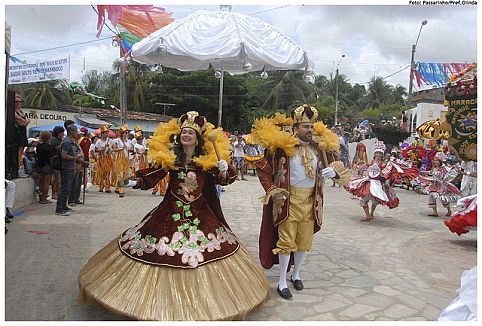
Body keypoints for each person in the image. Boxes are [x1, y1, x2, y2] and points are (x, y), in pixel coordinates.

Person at [78, 111, 269, 320]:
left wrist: (225, 170)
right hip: (169, 212)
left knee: (206, 252)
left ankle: (204, 301)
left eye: (190, 133)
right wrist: (135, 181)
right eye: (183, 132)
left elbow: (223, 180)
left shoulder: (206, 161)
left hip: (201, 214)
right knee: (159, 251)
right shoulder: (171, 160)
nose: (186, 135)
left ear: (198, 139)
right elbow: (153, 175)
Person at [253, 105, 348, 300]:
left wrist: (334, 172)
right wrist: (272, 191)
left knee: (304, 242)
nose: (309, 130)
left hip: (312, 201)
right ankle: (281, 281)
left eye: (311, 127)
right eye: (305, 127)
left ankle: (296, 275)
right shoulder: (281, 149)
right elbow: (262, 168)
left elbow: (338, 168)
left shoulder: (320, 149)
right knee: (286, 241)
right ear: (296, 128)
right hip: (288, 201)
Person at [344, 141, 399, 222]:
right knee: (364, 200)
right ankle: (368, 215)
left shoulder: (383, 165)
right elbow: (361, 168)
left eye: (380, 153)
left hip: (377, 184)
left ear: (382, 155)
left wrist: (385, 180)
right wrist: (358, 166)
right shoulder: (371, 162)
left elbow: (387, 174)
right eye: (377, 153)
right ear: (374, 154)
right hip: (368, 183)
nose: (378, 155)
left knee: (375, 201)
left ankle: (372, 213)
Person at [417, 152, 461, 217]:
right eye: (434, 160)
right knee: (432, 197)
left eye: (436, 160)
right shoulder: (434, 168)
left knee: (443, 199)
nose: (435, 162)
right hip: (434, 185)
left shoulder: (443, 168)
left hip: (441, 186)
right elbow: (430, 173)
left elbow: (447, 175)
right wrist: (421, 172)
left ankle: (449, 210)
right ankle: (435, 212)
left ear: (440, 161)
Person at [55, 125, 84, 216]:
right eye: (75, 131)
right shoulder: (67, 142)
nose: (76, 133)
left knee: (67, 188)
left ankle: (64, 205)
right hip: (66, 168)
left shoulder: (72, 141)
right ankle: (59, 208)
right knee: (64, 188)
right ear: (71, 131)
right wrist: (74, 157)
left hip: (71, 167)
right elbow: (64, 155)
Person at [36, 131, 56, 204]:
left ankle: (41, 198)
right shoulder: (49, 147)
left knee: (41, 182)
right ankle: (44, 199)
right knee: (46, 183)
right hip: (47, 165)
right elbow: (51, 158)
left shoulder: (38, 146)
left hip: (39, 165)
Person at [112, 124, 131, 197]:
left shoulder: (128, 141)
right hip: (119, 160)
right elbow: (114, 149)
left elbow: (128, 150)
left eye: (127, 132)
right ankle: (121, 189)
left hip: (126, 160)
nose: (127, 134)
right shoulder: (117, 141)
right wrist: (121, 148)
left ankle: (117, 188)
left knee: (125, 175)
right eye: (125, 132)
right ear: (122, 134)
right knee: (120, 175)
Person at [95, 125, 114, 193]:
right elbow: (96, 150)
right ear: (102, 134)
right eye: (105, 133)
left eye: (107, 133)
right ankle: (101, 186)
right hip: (101, 159)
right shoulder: (99, 141)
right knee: (101, 173)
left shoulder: (110, 141)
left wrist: (109, 149)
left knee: (107, 173)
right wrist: (103, 148)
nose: (107, 134)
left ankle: (107, 187)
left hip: (108, 158)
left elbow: (112, 150)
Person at [14, 94, 30, 171]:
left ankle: (19, 167)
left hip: (23, 132)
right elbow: (21, 122)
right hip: (18, 132)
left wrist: (23, 121)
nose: (18, 103)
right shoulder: (13, 111)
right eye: (16, 101)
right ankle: (16, 168)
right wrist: (24, 121)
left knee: (21, 151)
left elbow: (26, 122)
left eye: (20, 102)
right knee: (18, 151)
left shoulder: (21, 111)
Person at [50, 126, 65, 200]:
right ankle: (54, 193)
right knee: (55, 178)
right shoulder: (54, 140)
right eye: (61, 132)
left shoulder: (61, 140)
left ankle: (58, 192)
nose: (62, 134)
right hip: (55, 161)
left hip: (60, 161)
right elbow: (58, 148)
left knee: (59, 179)